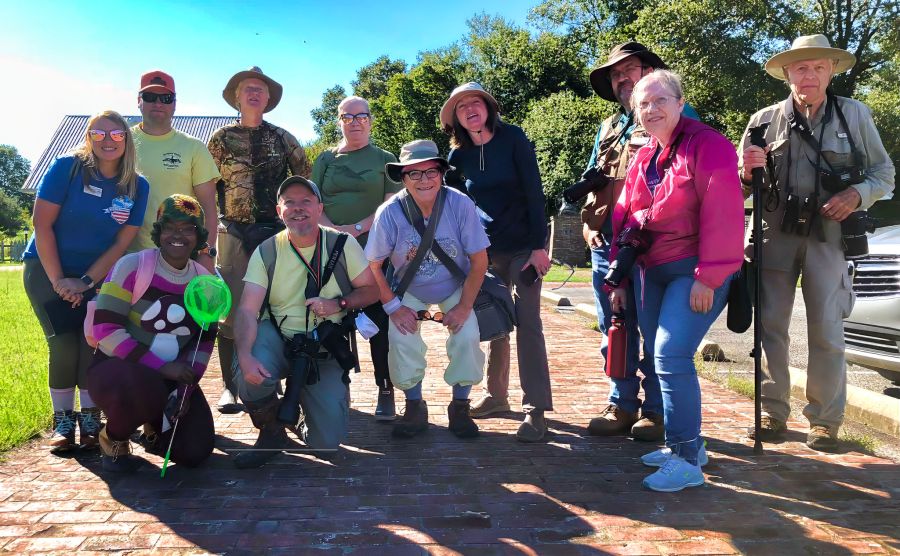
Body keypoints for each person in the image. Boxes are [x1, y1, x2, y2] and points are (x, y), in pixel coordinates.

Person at [739, 35, 894, 452]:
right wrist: (745, 173)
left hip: (830, 238)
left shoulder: (854, 115)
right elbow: (737, 190)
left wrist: (856, 194)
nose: (809, 75)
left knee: (826, 329)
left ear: (830, 71)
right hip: (775, 236)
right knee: (771, 327)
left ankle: (824, 421)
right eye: (801, 67)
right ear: (787, 72)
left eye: (818, 67)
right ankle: (772, 412)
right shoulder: (761, 121)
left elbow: (884, 173)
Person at [609, 70, 744, 491]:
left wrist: (710, 274)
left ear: (681, 103)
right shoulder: (646, 155)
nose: (651, 110)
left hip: (694, 268)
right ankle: (689, 445)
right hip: (652, 270)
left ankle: (685, 458)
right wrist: (618, 276)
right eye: (642, 104)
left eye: (660, 100)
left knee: (671, 355)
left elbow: (723, 209)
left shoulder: (709, 145)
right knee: (657, 354)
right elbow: (625, 217)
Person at [582, 43, 700, 442]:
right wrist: (588, 223)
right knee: (613, 327)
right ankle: (620, 402)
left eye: (629, 70)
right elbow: (592, 175)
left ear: (650, 71)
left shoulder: (680, 117)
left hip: (656, 248)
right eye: (615, 75)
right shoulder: (609, 127)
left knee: (654, 330)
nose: (622, 80)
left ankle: (656, 410)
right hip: (608, 244)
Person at [22, 110, 149, 455]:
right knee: (63, 345)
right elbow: (42, 225)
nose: (108, 140)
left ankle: (92, 421)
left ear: (127, 139)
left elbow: (122, 243)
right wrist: (61, 281)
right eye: (99, 133)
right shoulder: (68, 168)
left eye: (116, 134)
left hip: (96, 276)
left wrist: (86, 281)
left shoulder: (138, 185)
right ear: (88, 137)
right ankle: (63, 423)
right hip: (46, 270)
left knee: (92, 345)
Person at [231, 176, 378, 469]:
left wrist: (339, 304)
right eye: (290, 203)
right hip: (280, 334)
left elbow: (371, 290)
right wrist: (245, 357)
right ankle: (271, 433)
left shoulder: (342, 243)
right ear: (279, 211)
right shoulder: (267, 250)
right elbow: (247, 311)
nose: (298, 209)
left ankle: (298, 413)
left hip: (324, 341)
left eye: (306, 201)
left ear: (319, 207)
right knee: (249, 377)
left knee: (326, 445)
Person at [442, 82, 553, 442]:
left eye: (476, 103)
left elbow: (535, 193)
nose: (470, 109)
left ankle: (535, 409)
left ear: (488, 108)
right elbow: (453, 203)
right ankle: (497, 396)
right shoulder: (458, 156)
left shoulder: (514, 139)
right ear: (456, 118)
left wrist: (539, 246)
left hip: (524, 247)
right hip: (485, 251)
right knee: (493, 321)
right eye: (462, 107)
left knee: (528, 322)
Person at [366, 140, 490, 439]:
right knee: (400, 336)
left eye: (431, 171)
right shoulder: (389, 213)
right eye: (414, 174)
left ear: (442, 173)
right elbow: (373, 265)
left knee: (468, 334)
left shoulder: (460, 204)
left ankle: (460, 405)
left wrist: (463, 307)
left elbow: (479, 260)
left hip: (454, 285)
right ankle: (413, 404)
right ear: (403, 178)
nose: (424, 180)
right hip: (409, 286)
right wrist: (394, 308)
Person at [87, 194, 218, 472]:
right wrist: (161, 367)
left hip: (171, 378)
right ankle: (114, 440)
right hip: (120, 371)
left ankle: (154, 429)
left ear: (199, 235)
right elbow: (104, 329)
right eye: (170, 227)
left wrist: (187, 385)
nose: (178, 235)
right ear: (159, 231)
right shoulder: (132, 266)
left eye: (188, 228)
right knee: (143, 385)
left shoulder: (205, 284)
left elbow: (204, 340)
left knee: (195, 451)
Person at [208, 67, 310, 415]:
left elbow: (304, 180)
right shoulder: (220, 140)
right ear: (237, 96)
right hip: (233, 231)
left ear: (268, 99)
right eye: (247, 89)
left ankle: (272, 379)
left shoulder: (284, 138)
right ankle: (229, 386)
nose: (254, 94)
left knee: (276, 306)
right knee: (231, 310)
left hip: (274, 233)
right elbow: (208, 187)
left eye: (260, 90)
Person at [311, 96, 401, 421]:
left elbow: (390, 206)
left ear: (370, 120)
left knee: (378, 322)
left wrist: (356, 228)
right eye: (347, 117)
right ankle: (337, 387)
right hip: (330, 252)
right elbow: (312, 203)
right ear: (339, 121)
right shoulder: (325, 159)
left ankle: (385, 389)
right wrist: (335, 232)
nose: (355, 122)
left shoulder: (385, 158)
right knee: (331, 319)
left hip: (373, 252)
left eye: (361, 116)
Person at [129, 70, 220, 272]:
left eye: (166, 98)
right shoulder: (122, 143)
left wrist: (206, 255)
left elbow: (209, 210)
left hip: (182, 260)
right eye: (150, 97)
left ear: (175, 103)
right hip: (130, 258)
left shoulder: (194, 147)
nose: (158, 103)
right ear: (138, 100)